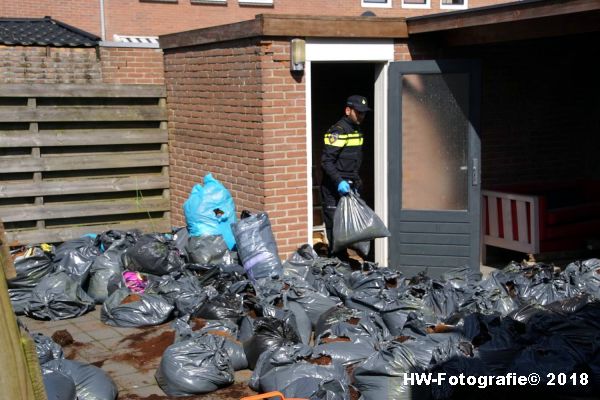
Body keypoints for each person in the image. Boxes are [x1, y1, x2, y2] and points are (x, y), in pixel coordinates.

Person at [320, 94, 371, 258]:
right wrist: (339, 182)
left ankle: (346, 262)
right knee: (336, 230)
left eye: (364, 113)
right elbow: (326, 161)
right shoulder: (338, 131)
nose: (362, 116)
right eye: (358, 112)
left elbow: (354, 159)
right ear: (348, 110)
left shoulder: (357, 130)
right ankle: (336, 265)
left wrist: (356, 181)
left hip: (350, 186)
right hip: (333, 189)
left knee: (350, 228)